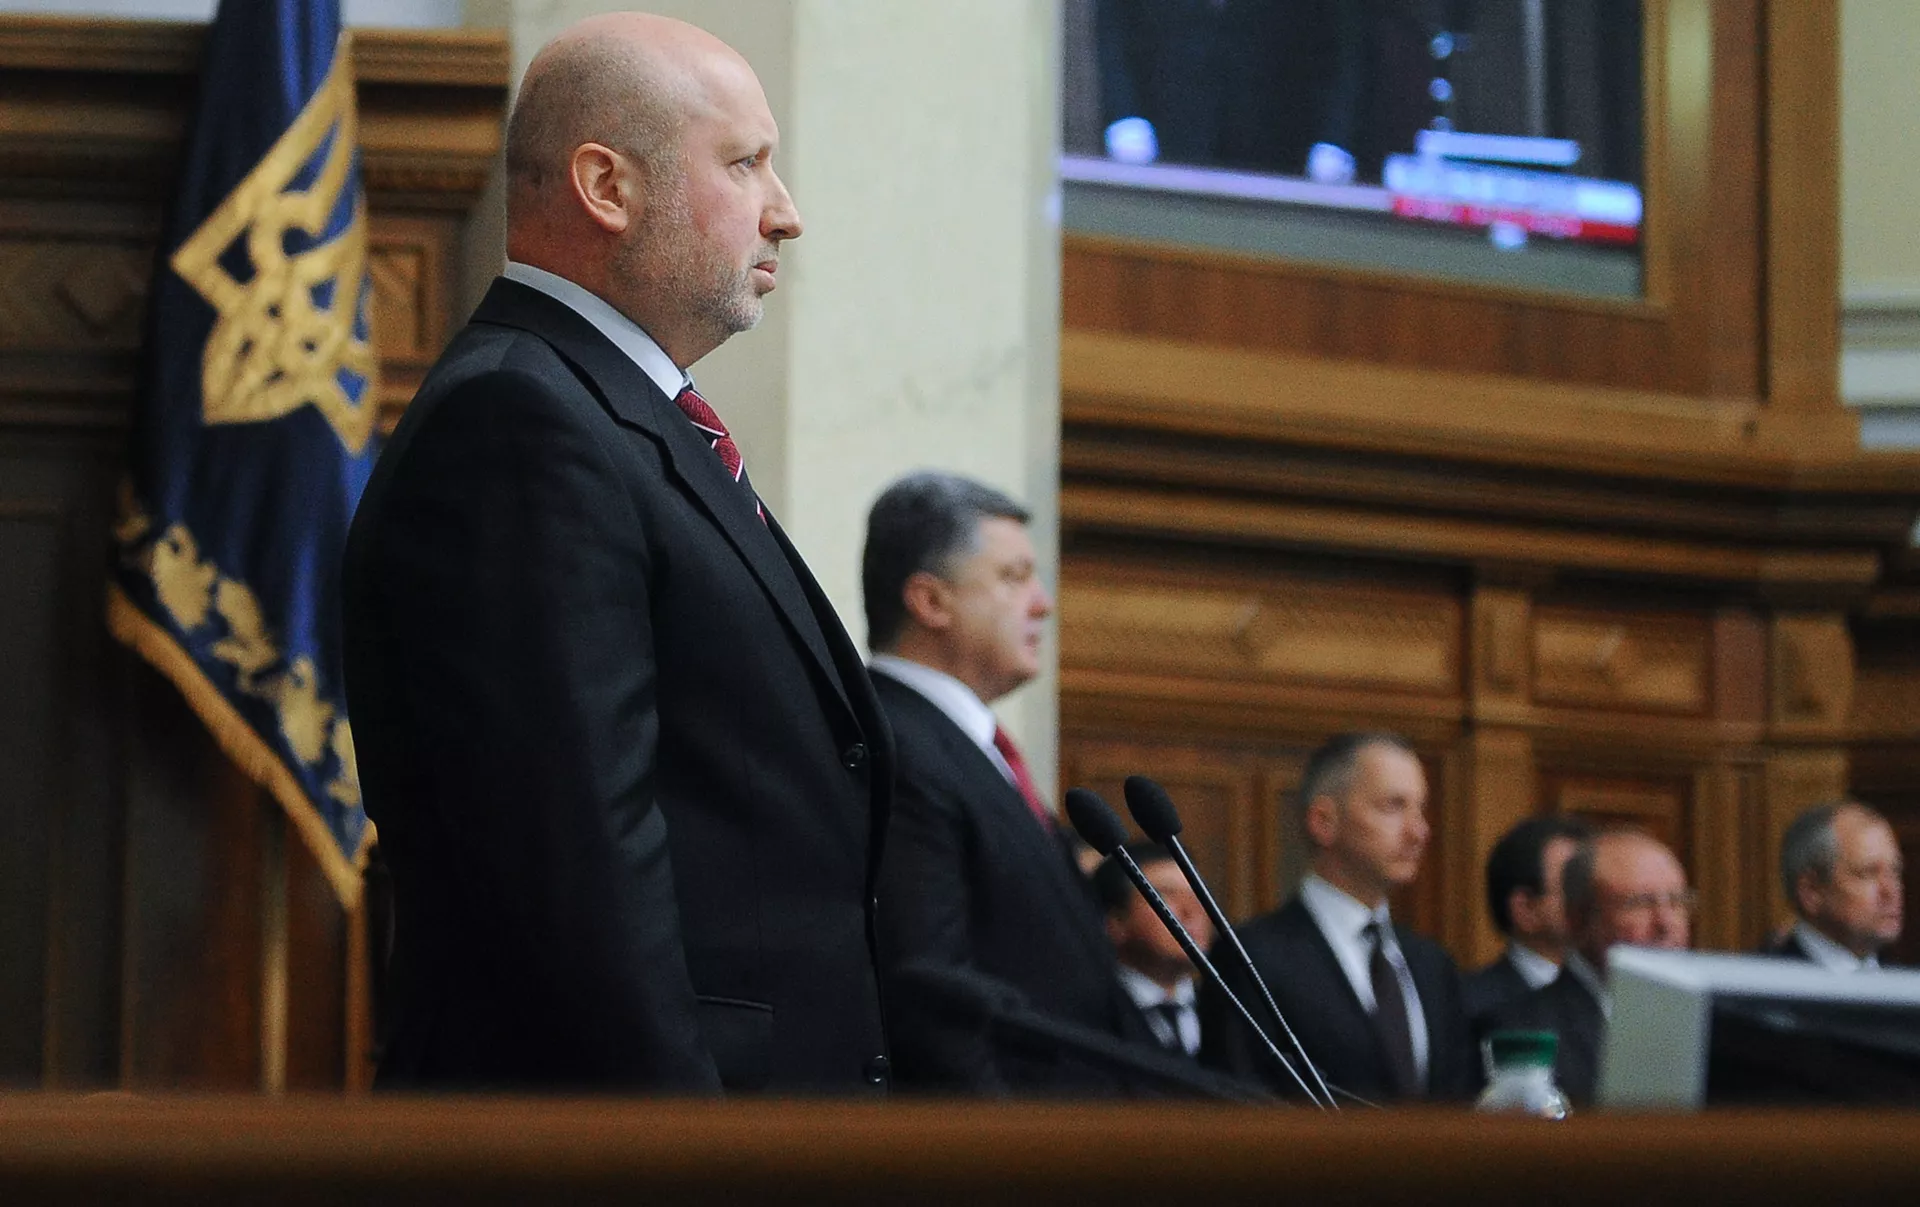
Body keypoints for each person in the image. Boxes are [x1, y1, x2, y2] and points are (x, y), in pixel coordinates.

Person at [340, 13, 893, 1094]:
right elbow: (576, 870)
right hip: (624, 1140)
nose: (786, 213)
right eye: (745, 163)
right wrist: (681, 1157)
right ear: (607, 186)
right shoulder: (519, 421)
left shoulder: (611, 417)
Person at [863, 471, 1148, 1094]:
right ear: (931, 602)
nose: (1043, 603)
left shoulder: (968, 748)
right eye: (1014, 578)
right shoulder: (895, 745)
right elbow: (931, 1000)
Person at [1201, 732, 1477, 1103]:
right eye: (1393, 806)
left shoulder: (1432, 965)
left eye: (1421, 809)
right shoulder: (1252, 957)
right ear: (1324, 821)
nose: (1419, 831)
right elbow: (1237, 1101)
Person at [1486, 828, 1692, 1107]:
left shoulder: (1710, 1024)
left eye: (1678, 901)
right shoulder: (1522, 1028)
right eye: (1641, 903)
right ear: (1577, 918)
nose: (1666, 923)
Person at [1462, 816, 1592, 1034]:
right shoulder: (1470, 1006)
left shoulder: (1614, 996)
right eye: (1576, 886)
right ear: (1526, 910)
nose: (1592, 901)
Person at [1095, 841, 1214, 1058]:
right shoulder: (1089, 1014)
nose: (1192, 910)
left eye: (1198, 893)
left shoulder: (1228, 1009)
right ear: (1116, 921)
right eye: (1166, 896)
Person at [1769, 801, 1904, 970]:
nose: (1891, 891)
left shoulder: (1904, 979)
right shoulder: (1762, 979)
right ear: (1812, 891)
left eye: (1895, 872)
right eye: (1868, 873)